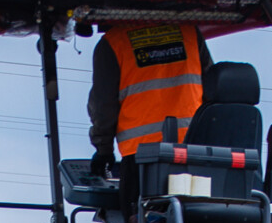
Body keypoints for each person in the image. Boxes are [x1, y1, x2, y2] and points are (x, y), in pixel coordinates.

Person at [88, 23, 213, 169]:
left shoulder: (113, 42)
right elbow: (213, 87)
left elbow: (104, 105)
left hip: (140, 154)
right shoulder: (189, 32)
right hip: (193, 148)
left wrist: (104, 151)